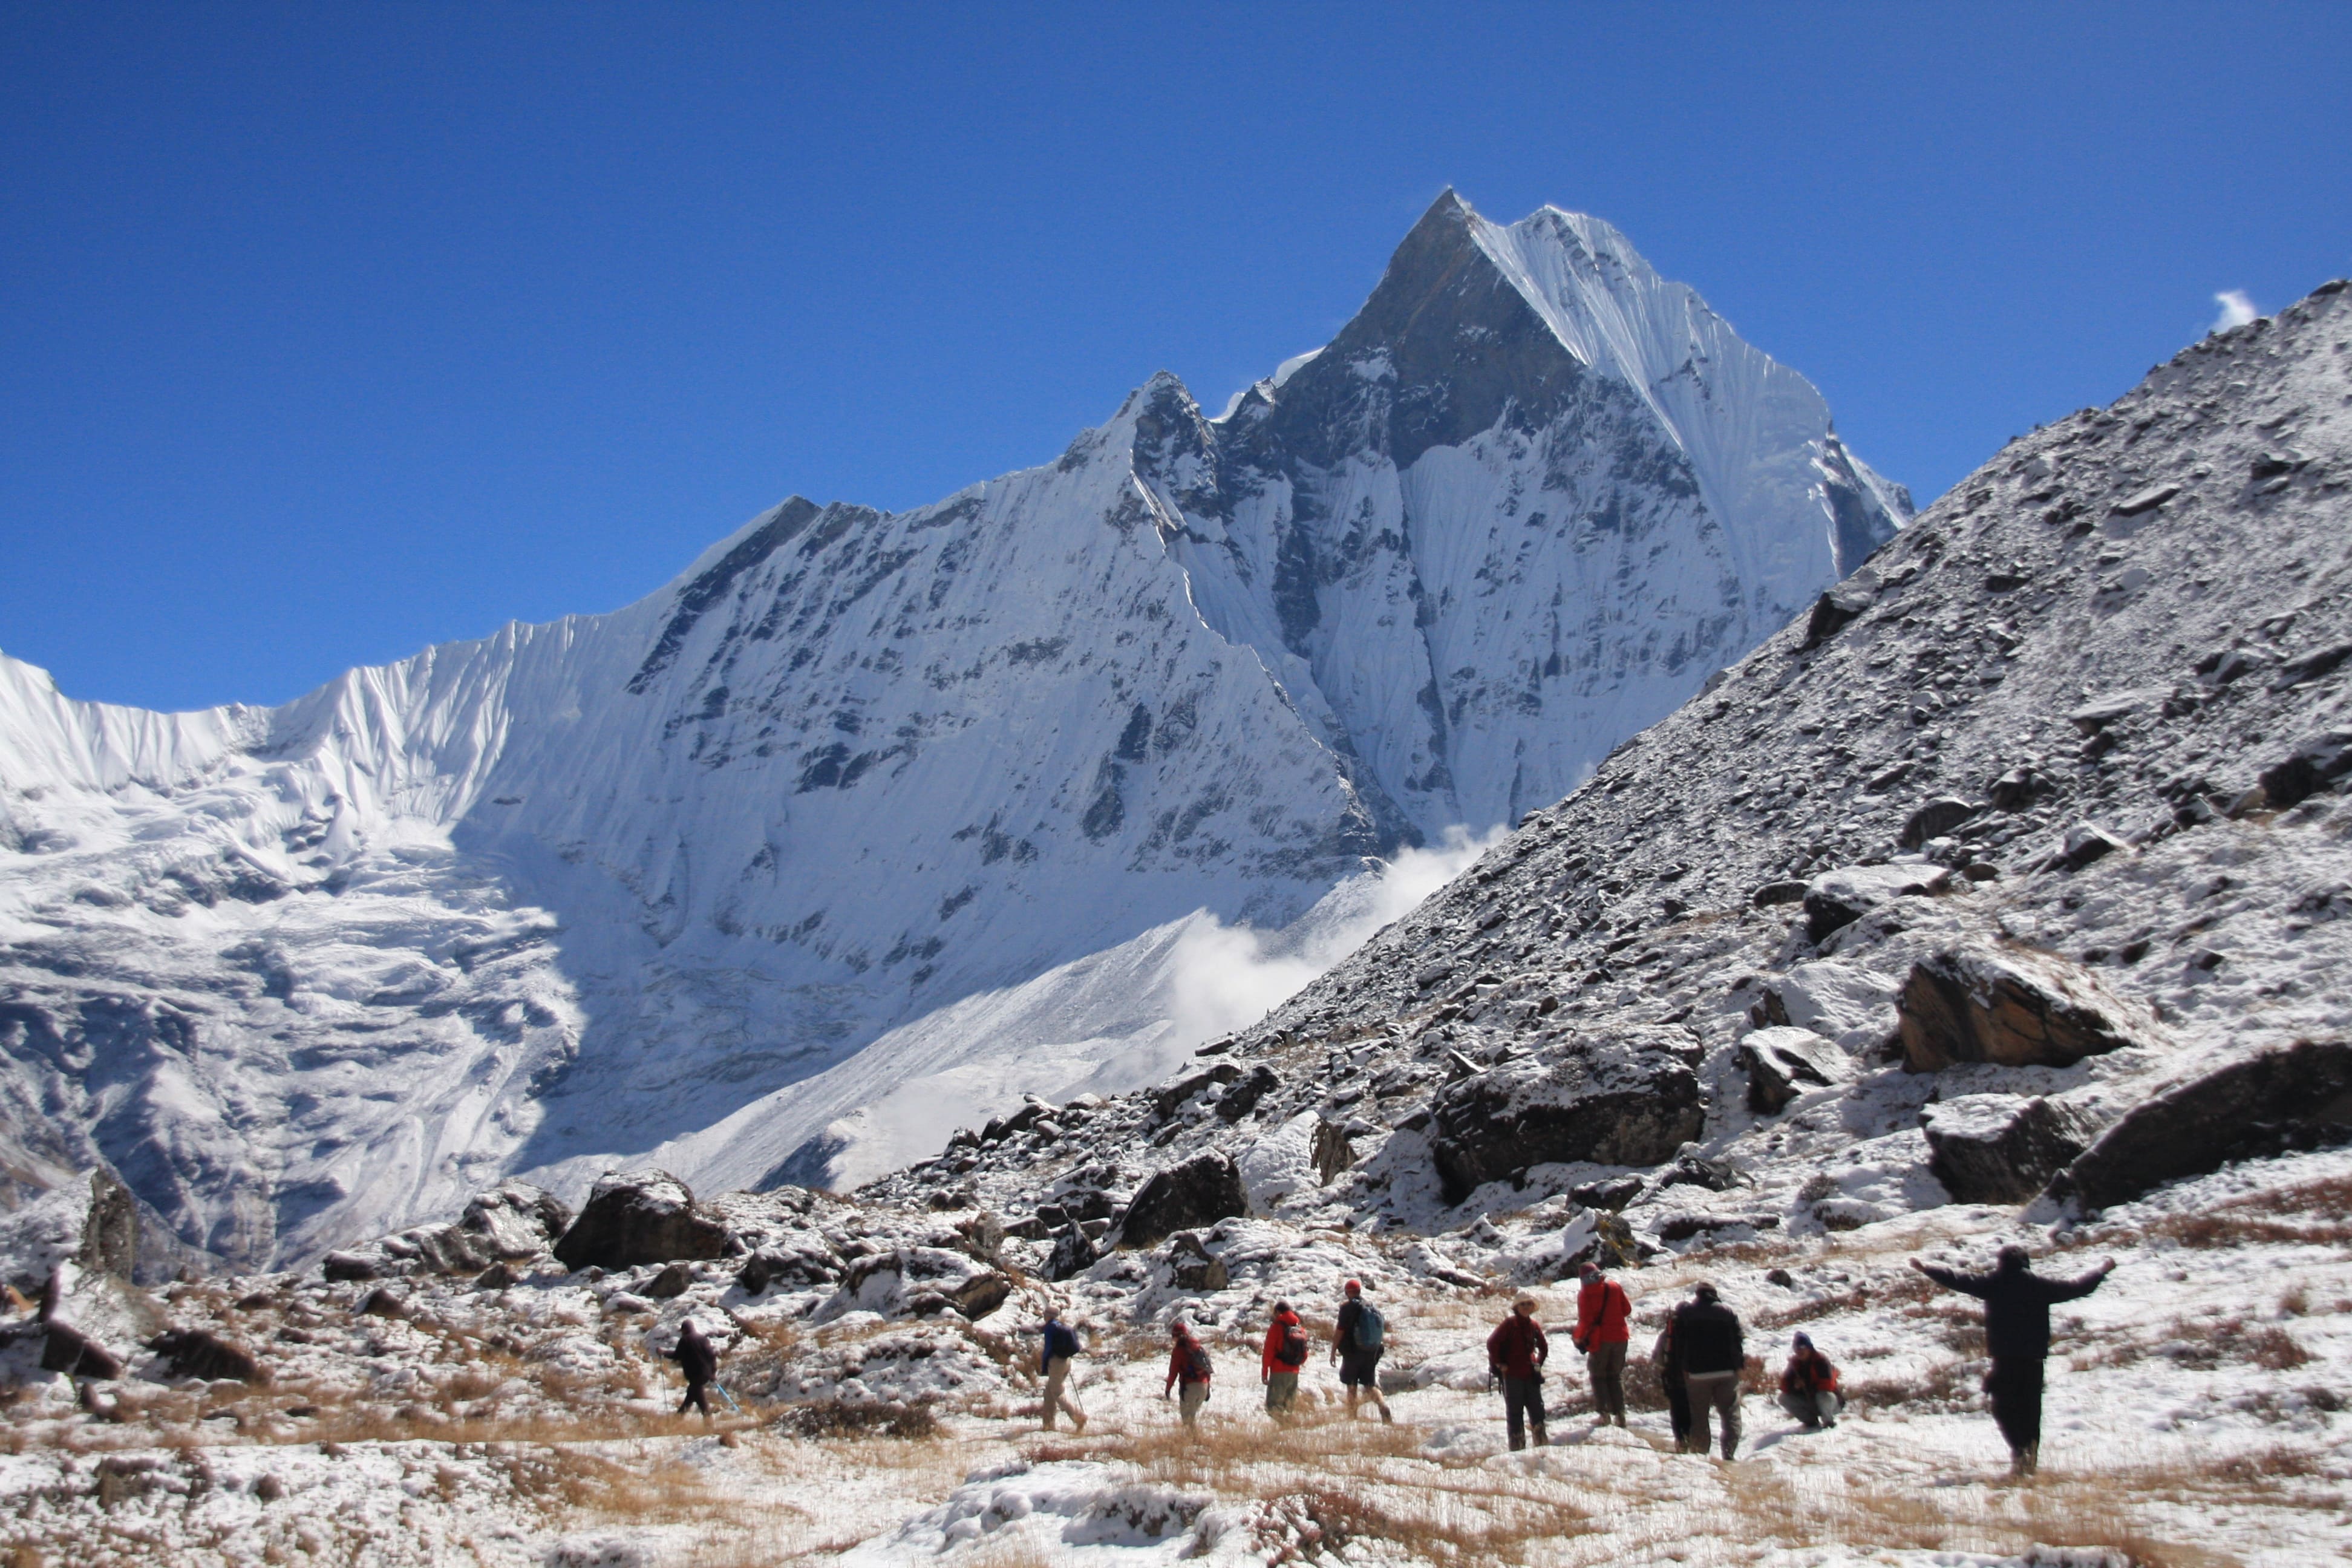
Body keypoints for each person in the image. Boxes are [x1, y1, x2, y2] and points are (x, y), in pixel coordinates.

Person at [1912, 1246, 2116, 1477]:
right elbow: (2077, 1288)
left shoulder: (1994, 1284)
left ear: (2001, 1264)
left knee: (2003, 1410)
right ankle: (2027, 1462)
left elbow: (1960, 1280)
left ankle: (2020, 1453)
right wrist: (2101, 1272)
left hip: (2004, 1362)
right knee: (2030, 1414)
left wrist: (1927, 1269)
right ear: (2026, 1263)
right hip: (2033, 1362)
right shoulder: (2039, 1286)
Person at [1671, 1283, 1745, 1459]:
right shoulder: (1727, 1312)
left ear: (1697, 1295)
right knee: (1730, 1413)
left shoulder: (1687, 1314)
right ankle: (1729, 1452)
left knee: (1699, 1417)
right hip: (1727, 1372)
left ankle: (1701, 1454)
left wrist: (1684, 1368)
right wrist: (1739, 1366)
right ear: (1715, 1294)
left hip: (1697, 1374)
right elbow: (1738, 1341)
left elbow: (1679, 1345)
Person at [1486, 1296, 1550, 1451]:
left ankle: (1541, 1447)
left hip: (1529, 1375)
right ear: (1517, 1307)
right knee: (1515, 1414)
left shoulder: (1533, 1325)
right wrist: (1500, 1364)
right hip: (1512, 1375)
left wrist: (1538, 1365)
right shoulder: (1509, 1324)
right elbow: (1492, 1343)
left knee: (1538, 1413)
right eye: (1523, 1304)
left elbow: (1544, 1348)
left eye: (1529, 1304)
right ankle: (1517, 1450)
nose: (1526, 1307)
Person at [1573, 1261, 1632, 1427]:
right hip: (1621, 1337)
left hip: (1601, 1341)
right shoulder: (1614, 1287)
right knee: (1615, 1376)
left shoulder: (1584, 1295)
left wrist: (1577, 1338)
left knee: (1598, 1376)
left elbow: (1585, 1321)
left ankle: (1604, 1415)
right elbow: (1627, 1310)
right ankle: (1620, 1415)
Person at [1330, 1279, 1394, 1423]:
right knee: (1370, 1385)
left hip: (1353, 1353)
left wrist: (1333, 1350)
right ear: (1360, 1291)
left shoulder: (1346, 1308)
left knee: (1351, 1385)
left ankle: (1352, 1417)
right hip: (1370, 1352)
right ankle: (1383, 1406)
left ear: (1347, 1293)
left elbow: (1340, 1331)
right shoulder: (1370, 1306)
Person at [1776, 1331, 1841, 1429]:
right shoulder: (1794, 1364)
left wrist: (1806, 1384)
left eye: (1802, 1348)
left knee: (1824, 1395)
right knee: (1783, 1398)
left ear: (1809, 1348)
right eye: (1797, 1348)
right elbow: (1784, 1385)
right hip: (1809, 1402)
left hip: (1830, 1403)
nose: (1800, 1351)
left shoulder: (1821, 1361)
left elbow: (1828, 1386)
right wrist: (1795, 1386)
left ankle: (1828, 1422)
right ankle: (1810, 1422)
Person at [1040, 1304, 1088, 1432]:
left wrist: (1044, 1365)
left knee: (1057, 1392)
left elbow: (1048, 1348)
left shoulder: (1050, 1328)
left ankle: (1079, 1418)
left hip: (1055, 1363)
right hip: (1066, 1361)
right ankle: (1048, 1425)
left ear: (1049, 1316)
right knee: (1049, 1392)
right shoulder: (1063, 1327)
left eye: (1045, 1314)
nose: (1044, 1316)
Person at [1261, 1301, 1308, 1417]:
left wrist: (1265, 1371)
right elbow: (1305, 1353)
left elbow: (1269, 1351)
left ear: (1278, 1312)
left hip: (1279, 1371)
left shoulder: (1277, 1327)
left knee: (1274, 1406)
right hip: (1294, 1372)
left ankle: (1280, 1432)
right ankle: (1288, 1430)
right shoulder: (1300, 1329)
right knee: (1289, 1407)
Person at [1165, 1319, 1212, 1428]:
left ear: (1176, 1336)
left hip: (1189, 1388)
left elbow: (1173, 1372)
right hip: (1203, 1387)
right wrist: (1208, 1388)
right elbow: (1207, 1368)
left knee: (1188, 1422)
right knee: (1192, 1418)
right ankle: (1196, 1441)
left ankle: (1193, 1443)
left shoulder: (1179, 1350)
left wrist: (1168, 1389)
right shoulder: (1198, 1347)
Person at [668, 1318, 718, 1422]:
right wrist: (713, 1373)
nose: (682, 1333)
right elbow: (712, 1357)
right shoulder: (704, 1339)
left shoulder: (685, 1340)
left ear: (685, 1330)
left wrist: (663, 1353)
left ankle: (709, 1424)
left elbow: (676, 1356)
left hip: (695, 1375)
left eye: (682, 1331)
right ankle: (676, 1420)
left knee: (701, 1401)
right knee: (691, 1396)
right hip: (705, 1374)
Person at [1653, 1315, 1691, 1449]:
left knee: (1676, 1411)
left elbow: (1658, 1358)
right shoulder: (1695, 1330)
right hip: (1693, 1379)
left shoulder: (1668, 1333)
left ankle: (1680, 1440)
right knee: (1692, 1410)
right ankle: (1692, 1439)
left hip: (1673, 1378)